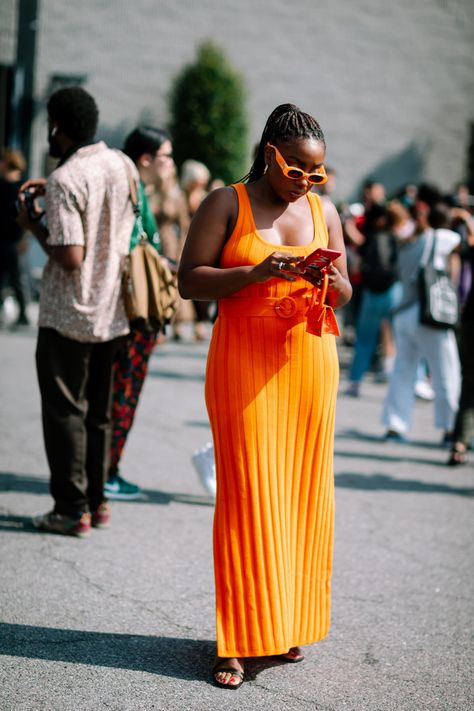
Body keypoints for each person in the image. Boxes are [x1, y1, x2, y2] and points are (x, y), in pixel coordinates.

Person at [178, 103, 352, 689]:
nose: (307, 181)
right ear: (270, 152)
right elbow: (189, 280)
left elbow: (347, 289)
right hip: (243, 361)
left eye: (316, 173)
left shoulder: (323, 209)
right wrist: (254, 274)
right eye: (298, 168)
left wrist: (325, 280)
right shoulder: (227, 202)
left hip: (309, 362)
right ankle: (236, 639)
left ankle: (284, 625)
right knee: (248, 496)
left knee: (302, 498)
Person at [16, 86, 136, 537]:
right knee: (98, 414)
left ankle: (70, 509)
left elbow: (69, 256)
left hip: (70, 313)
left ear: (55, 127)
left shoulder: (66, 179)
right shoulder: (121, 164)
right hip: (113, 310)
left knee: (65, 411)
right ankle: (97, 502)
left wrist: (33, 224)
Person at [105, 126, 174, 500]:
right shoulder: (132, 191)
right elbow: (130, 247)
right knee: (123, 393)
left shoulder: (138, 189)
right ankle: (107, 471)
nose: (171, 163)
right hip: (132, 313)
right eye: (166, 155)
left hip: (131, 311)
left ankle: (108, 469)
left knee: (121, 393)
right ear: (146, 159)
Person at [382, 203, 461, 442]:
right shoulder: (441, 236)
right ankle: (450, 428)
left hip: (404, 313)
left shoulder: (411, 241)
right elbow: (460, 241)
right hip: (430, 313)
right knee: (446, 370)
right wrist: (462, 216)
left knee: (402, 371)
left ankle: (395, 425)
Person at [345, 203, 403, 396]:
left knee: (364, 338)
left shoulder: (370, 237)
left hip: (371, 292)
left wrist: (348, 224)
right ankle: (390, 371)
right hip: (393, 290)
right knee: (394, 335)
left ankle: (355, 381)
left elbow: (357, 248)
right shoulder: (395, 237)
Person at [448, 208, 474, 465]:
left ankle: (459, 442)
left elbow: (459, 252)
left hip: (469, 321)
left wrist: (467, 224)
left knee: (469, 384)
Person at [180, 159, 212, 341]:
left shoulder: (205, 197)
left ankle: (200, 321)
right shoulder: (180, 195)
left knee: (201, 279)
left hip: (202, 243)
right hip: (182, 240)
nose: (200, 184)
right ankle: (180, 322)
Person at [0, 147, 30, 326]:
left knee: (18, 277)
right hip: (2, 238)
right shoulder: (1, 186)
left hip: (14, 239)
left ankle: (23, 313)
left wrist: (25, 238)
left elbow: (28, 215)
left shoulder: (22, 187)